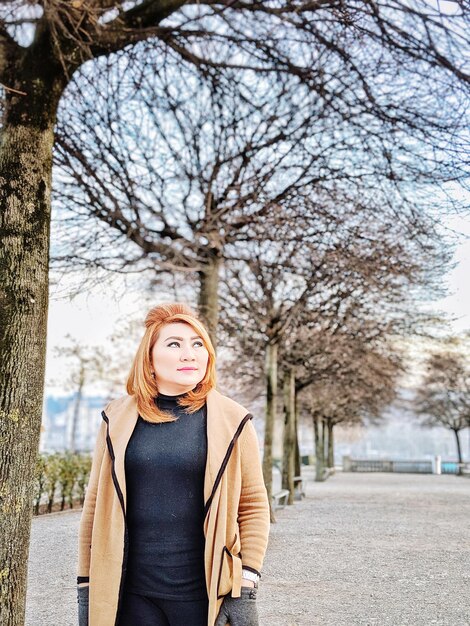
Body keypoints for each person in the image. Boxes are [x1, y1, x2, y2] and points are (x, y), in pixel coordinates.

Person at [76, 302, 270, 626]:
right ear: (149, 359)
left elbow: (252, 506)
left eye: (198, 345)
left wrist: (247, 582)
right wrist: (86, 585)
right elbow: (95, 506)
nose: (189, 354)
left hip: (205, 596)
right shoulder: (116, 418)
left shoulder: (234, 420)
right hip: (130, 596)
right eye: (174, 344)